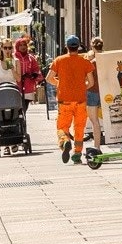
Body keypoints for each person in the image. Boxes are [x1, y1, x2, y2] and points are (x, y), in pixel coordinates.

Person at [48, 35, 97, 164]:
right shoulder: (85, 61)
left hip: (64, 101)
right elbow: (91, 82)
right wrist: (82, 87)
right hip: (80, 100)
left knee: (62, 127)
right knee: (79, 127)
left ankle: (65, 142)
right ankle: (77, 154)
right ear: (78, 47)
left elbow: (49, 78)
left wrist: (59, 83)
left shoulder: (59, 60)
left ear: (66, 47)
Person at [86, 38, 107, 148]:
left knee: (94, 121)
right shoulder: (107, 59)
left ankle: (97, 147)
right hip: (106, 91)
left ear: (92, 47)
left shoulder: (92, 63)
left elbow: (89, 81)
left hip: (93, 91)